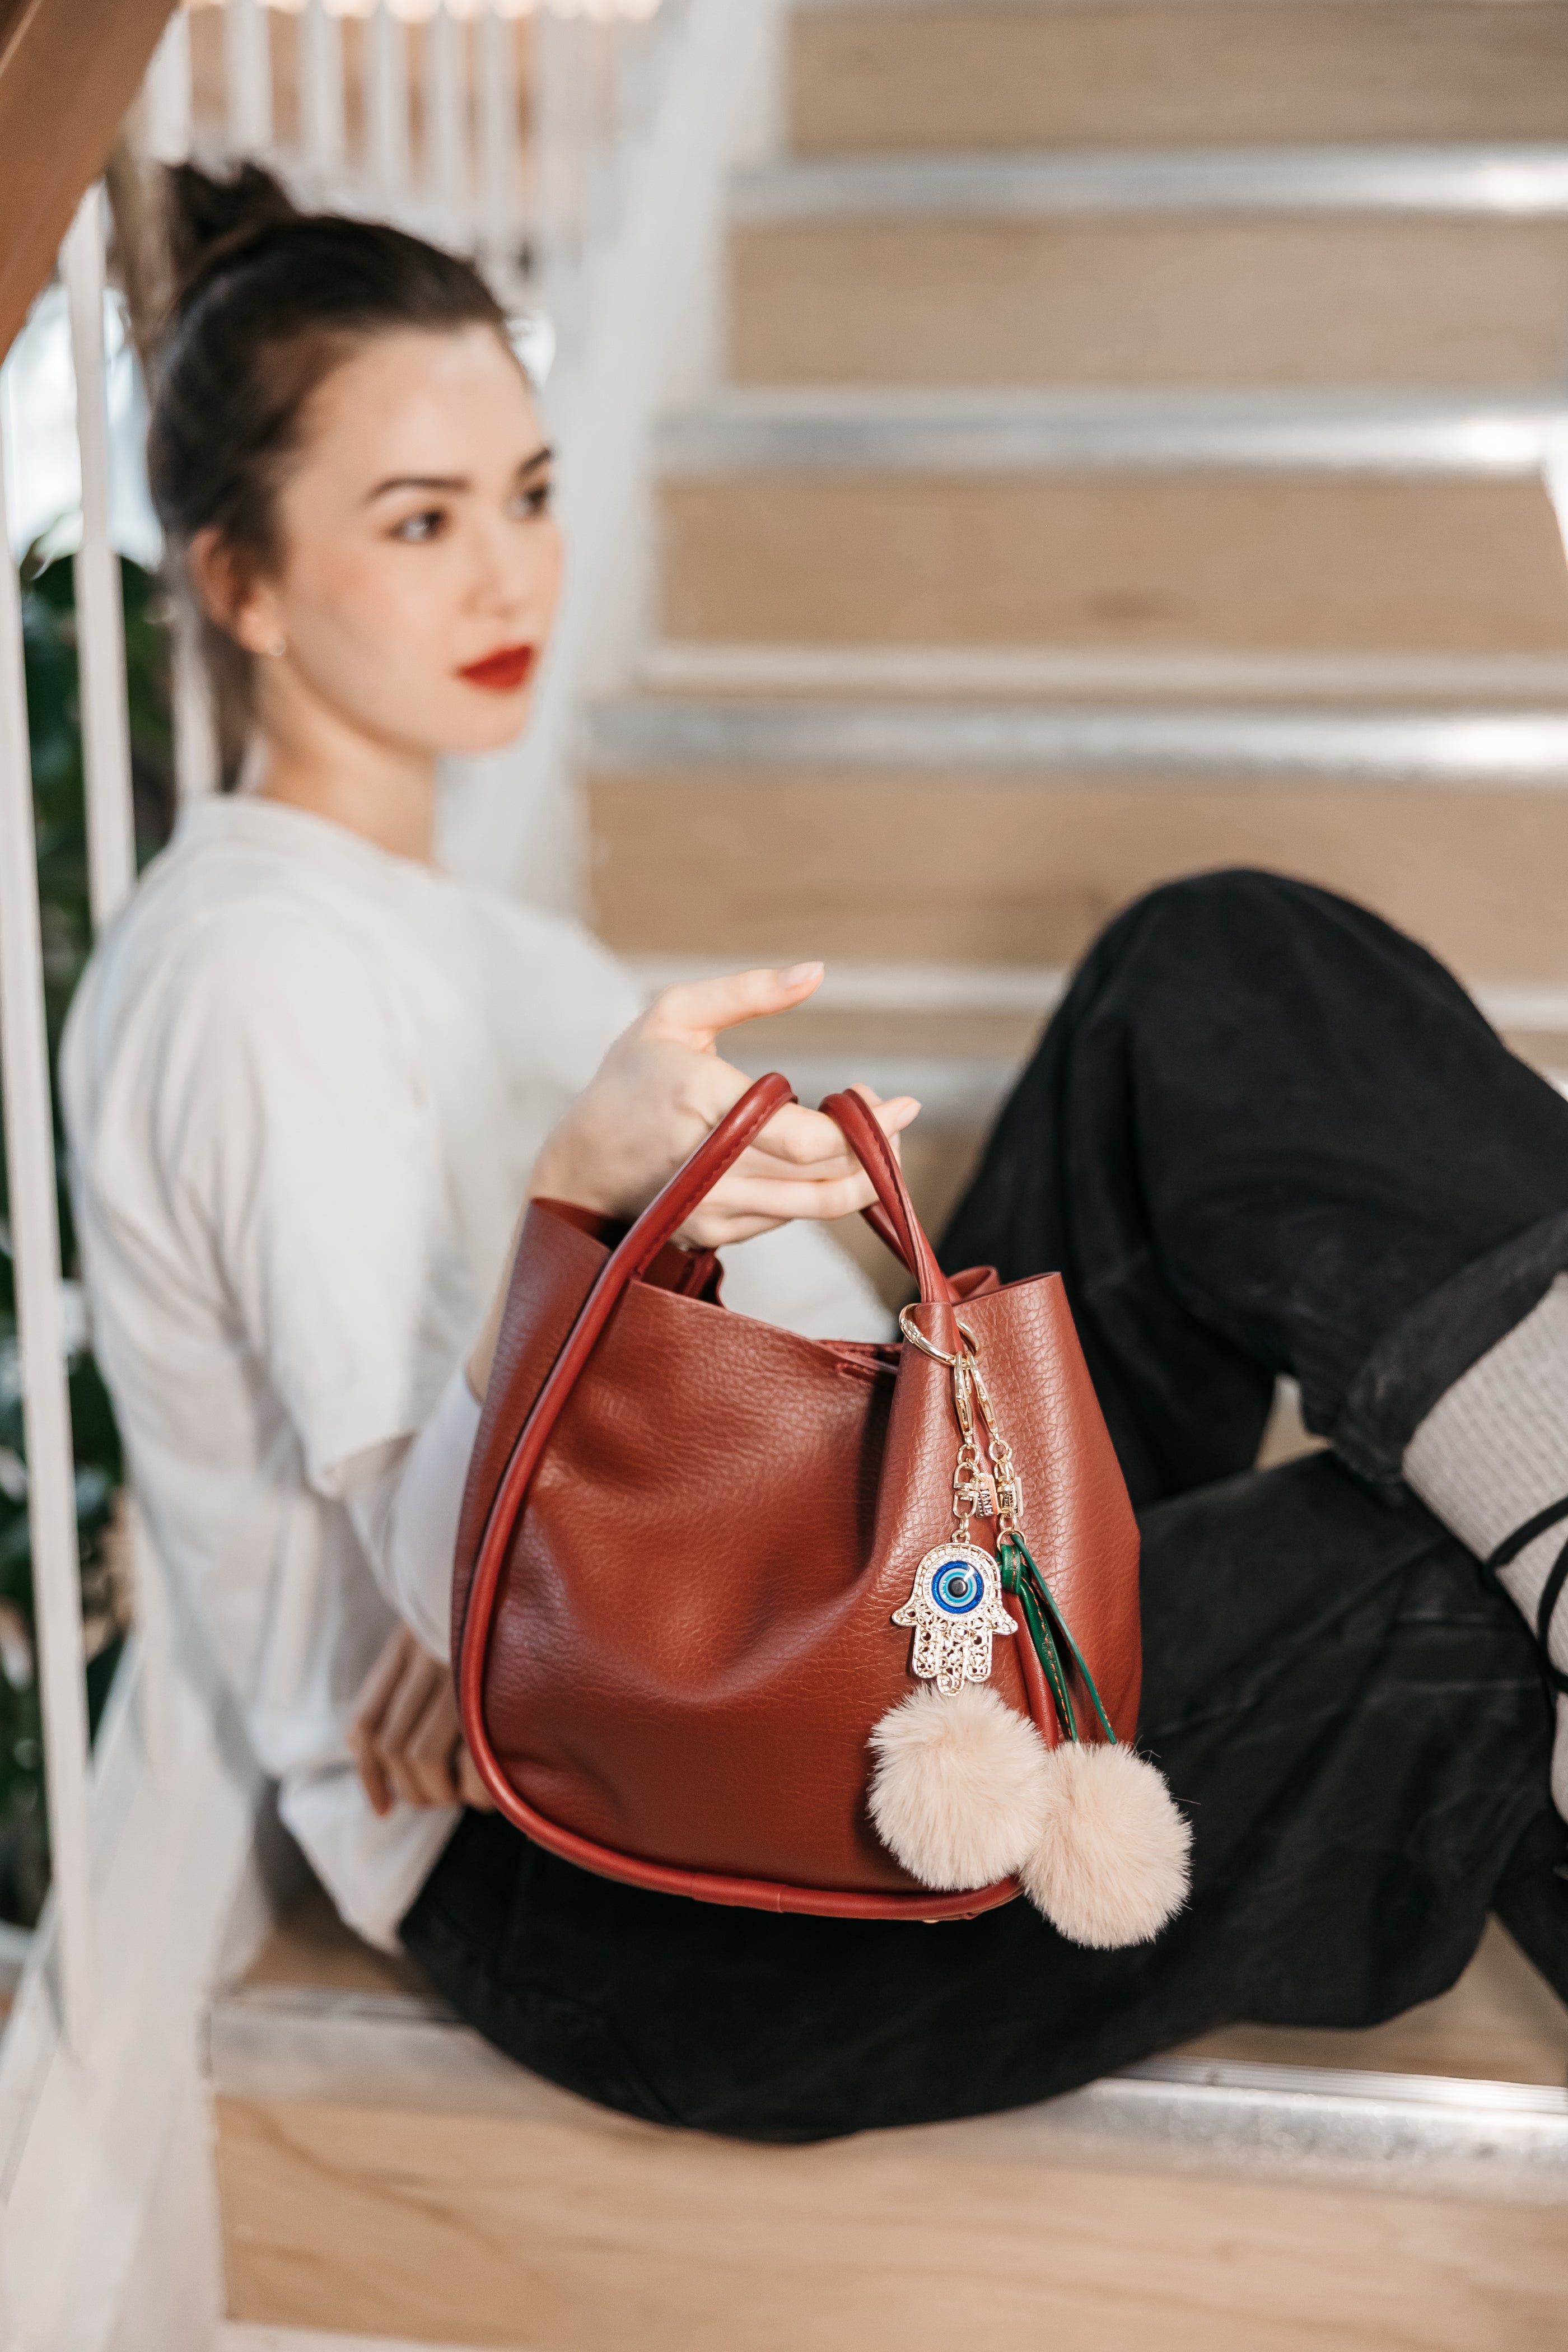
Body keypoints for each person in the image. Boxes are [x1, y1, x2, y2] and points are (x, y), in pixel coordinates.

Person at [63, 166, 1567, 2147]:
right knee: (1429, 1575)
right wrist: (576, 1253)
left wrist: (540, 1546)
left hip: (825, 1606)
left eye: (526, 493)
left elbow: (519, 1529)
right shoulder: (251, 974)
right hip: (640, 1868)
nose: (509, 579)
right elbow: (458, 1586)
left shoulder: (471, 928)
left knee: (1213, 965)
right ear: (238, 582)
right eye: (418, 524)